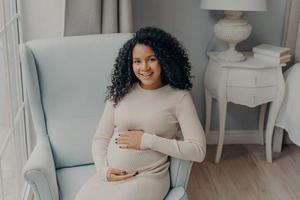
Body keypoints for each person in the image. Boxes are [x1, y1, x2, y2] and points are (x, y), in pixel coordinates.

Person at [75, 27, 206, 200]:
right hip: (110, 177)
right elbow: (100, 138)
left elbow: (198, 150)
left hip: (148, 178)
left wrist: (146, 141)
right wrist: (103, 170)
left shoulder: (179, 98)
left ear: (164, 59)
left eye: (151, 59)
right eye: (137, 61)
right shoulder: (120, 92)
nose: (144, 67)